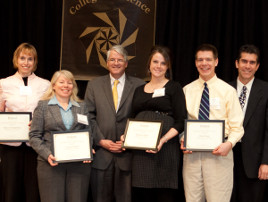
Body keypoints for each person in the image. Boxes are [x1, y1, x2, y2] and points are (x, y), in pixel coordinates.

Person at [181, 44, 244, 202]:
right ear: (195, 63)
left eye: (208, 59)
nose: (204, 63)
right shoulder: (186, 90)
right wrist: (182, 139)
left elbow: (237, 127)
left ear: (216, 62)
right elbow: (180, 123)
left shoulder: (228, 91)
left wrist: (228, 144)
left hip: (219, 155)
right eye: (200, 60)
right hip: (192, 158)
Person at [84, 44, 145, 202]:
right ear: (107, 62)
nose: (116, 63)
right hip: (101, 156)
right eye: (112, 59)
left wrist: (128, 141)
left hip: (128, 156)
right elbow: (88, 116)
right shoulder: (94, 85)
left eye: (120, 60)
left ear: (126, 63)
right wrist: (101, 141)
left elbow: (142, 117)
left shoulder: (139, 85)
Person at [130, 45, 187, 202]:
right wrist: (125, 136)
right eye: (155, 61)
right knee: (142, 194)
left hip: (165, 149)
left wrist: (162, 140)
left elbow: (181, 121)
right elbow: (132, 118)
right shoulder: (139, 89)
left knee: (164, 193)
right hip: (141, 152)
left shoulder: (174, 88)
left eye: (163, 63)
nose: (158, 66)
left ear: (168, 66)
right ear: (149, 63)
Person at [29, 70, 92, 202]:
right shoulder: (43, 106)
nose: (66, 85)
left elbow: (88, 132)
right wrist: (47, 154)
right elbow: (34, 135)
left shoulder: (82, 106)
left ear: (73, 86)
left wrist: (88, 149)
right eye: (61, 82)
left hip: (78, 165)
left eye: (69, 82)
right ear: (53, 85)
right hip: (51, 164)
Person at [0, 42, 50, 202]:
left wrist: (38, 123)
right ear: (16, 60)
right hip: (10, 146)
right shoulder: (3, 83)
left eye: (30, 59)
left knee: (33, 191)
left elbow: (48, 113)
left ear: (35, 62)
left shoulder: (45, 84)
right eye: (22, 58)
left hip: (35, 145)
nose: (26, 62)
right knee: (11, 191)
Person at [229, 44, 268, 202]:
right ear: (236, 63)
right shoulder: (224, 88)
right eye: (244, 61)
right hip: (225, 158)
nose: (247, 66)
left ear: (257, 66)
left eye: (252, 62)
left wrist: (266, 162)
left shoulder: (266, 90)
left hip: (254, 162)